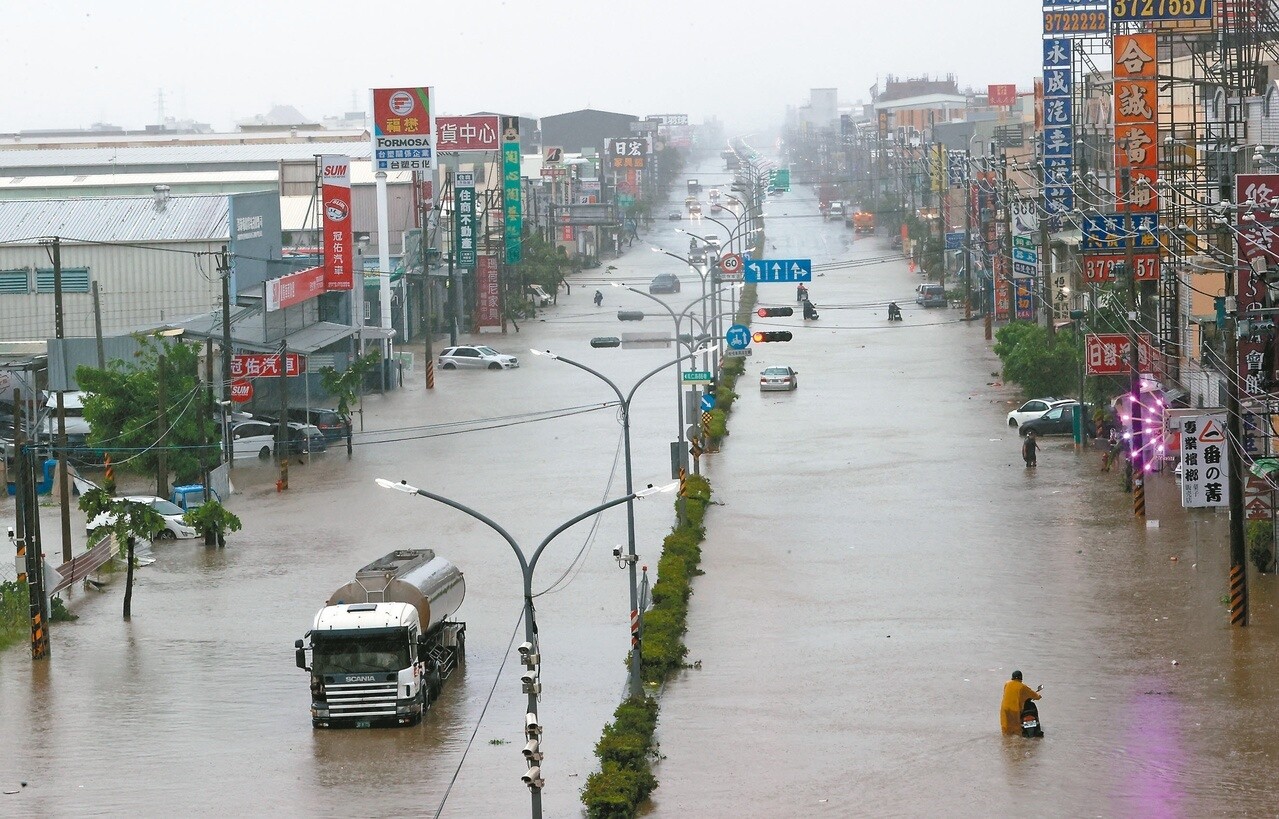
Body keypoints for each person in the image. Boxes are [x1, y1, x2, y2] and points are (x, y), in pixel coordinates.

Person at [1000, 670, 1042, 735]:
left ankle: (1006, 742)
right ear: (1021, 678)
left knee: (1006, 728)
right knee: (1017, 730)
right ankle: (1018, 743)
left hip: (1004, 708)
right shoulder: (1022, 686)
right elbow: (1033, 694)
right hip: (1015, 709)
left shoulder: (1006, 683)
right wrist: (1038, 696)